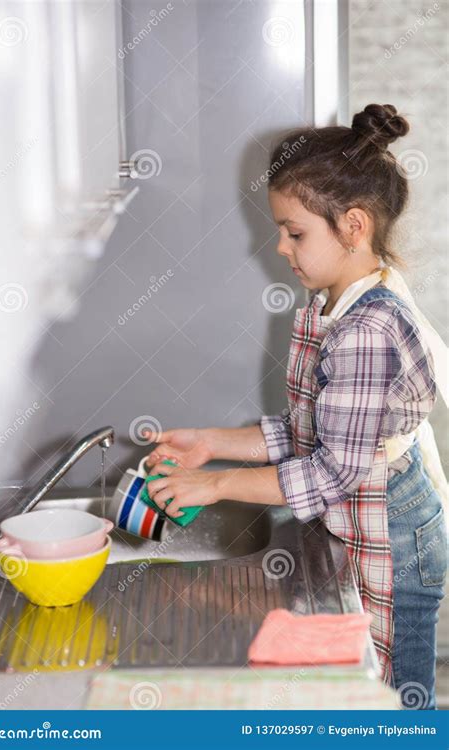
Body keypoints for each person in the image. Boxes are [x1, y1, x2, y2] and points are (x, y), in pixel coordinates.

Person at [142, 103, 448, 709]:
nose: (280, 246)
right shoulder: (329, 303)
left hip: (394, 531)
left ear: (354, 226)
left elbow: (335, 470)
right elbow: (309, 431)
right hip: (363, 512)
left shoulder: (366, 329)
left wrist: (215, 485)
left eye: (295, 231)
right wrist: (211, 443)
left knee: (395, 704)